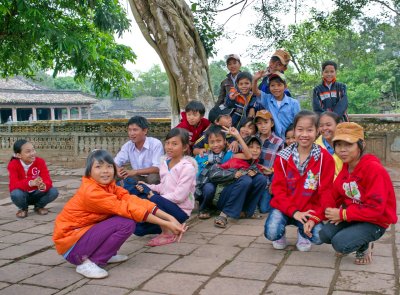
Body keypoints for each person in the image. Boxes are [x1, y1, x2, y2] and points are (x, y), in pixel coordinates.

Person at [53, 149, 187, 279]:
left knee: (126, 217)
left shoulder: (110, 186)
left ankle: (105, 253)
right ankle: (90, 262)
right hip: (71, 244)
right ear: (89, 171)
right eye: (98, 167)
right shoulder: (92, 192)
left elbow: (133, 201)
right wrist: (166, 224)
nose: (105, 171)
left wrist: (170, 218)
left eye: (109, 166)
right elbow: (128, 209)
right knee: (125, 222)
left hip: (83, 236)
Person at [319, 122, 397, 265]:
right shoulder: (346, 168)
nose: (342, 150)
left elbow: (376, 209)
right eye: (338, 145)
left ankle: (364, 244)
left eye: (348, 145)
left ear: (361, 145)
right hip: (355, 215)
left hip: (376, 221)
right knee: (324, 234)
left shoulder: (374, 169)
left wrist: (343, 215)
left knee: (340, 244)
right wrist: (319, 215)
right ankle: (356, 235)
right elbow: (334, 195)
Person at [264, 110, 335, 252]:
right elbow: (278, 190)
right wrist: (294, 211)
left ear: (317, 132)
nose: (304, 134)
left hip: (309, 209)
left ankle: (303, 232)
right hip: (284, 207)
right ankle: (282, 230)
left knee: (319, 237)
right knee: (272, 232)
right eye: (300, 129)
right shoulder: (282, 157)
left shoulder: (325, 158)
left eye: (309, 130)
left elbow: (326, 192)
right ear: (294, 131)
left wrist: (315, 218)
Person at [133, 128, 197, 244]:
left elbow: (179, 197)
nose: (169, 147)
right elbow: (163, 187)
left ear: (184, 147)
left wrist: (153, 197)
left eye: (174, 144)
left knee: (153, 198)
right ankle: (172, 226)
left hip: (179, 211)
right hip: (164, 206)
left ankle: (167, 234)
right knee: (138, 229)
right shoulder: (165, 163)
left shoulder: (187, 168)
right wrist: (148, 186)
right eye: (167, 143)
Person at [212, 135, 269, 227]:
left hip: (237, 200)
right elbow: (213, 174)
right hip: (222, 199)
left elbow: (257, 175)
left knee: (261, 179)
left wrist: (259, 172)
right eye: (250, 147)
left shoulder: (254, 165)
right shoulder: (234, 161)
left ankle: (246, 212)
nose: (255, 150)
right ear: (244, 149)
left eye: (258, 148)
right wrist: (233, 174)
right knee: (245, 180)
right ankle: (223, 214)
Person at [194, 125, 240, 219]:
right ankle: (204, 208)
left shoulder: (230, 154)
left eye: (219, 141)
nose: (215, 145)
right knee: (208, 188)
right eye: (212, 142)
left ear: (225, 141)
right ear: (208, 143)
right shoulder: (203, 156)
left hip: (224, 186)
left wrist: (236, 139)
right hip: (207, 187)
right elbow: (197, 176)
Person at [8, 139, 59, 218]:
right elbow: (13, 185)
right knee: (15, 193)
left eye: (33, 150)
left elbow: (47, 180)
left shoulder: (40, 162)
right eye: (28, 151)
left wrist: (43, 185)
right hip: (23, 195)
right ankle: (23, 208)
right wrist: (30, 183)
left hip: (37, 193)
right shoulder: (13, 164)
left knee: (53, 191)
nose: (33, 153)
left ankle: (39, 206)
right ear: (18, 155)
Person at [115, 116, 164, 187]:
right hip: (136, 177)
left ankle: (153, 196)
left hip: (152, 176)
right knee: (115, 175)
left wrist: (135, 172)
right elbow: (115, 162)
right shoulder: (128, 146)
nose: (131, 133)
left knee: (153, 178)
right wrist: (118, 170)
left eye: (135, 130)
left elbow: (157, 168)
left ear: (145, 131)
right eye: (129, 130)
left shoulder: (155, 143)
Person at [252, 72, 300, 139]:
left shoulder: (294, 103)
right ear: (269, 87)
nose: (276, 88)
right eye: (272, 85)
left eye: (279, 85)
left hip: (289, 140)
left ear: (285, 86)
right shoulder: (267, 99)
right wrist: (255, 80)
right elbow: (255, 91)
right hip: (274, 141)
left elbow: (298, 123)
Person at [254, 110, 284, 213]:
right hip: (255, 177)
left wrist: (272, 172)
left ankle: (280, 203)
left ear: (272, 123)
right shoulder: (253, 139)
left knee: (264, 208)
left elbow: (280, 165)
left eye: (266, 122)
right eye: (259, 123)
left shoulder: (278, 142)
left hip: (269, 179)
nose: (263, 126)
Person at [315, 111, 343, 178]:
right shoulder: (315, 148)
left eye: (328, 125)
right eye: (321, 126)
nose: (324, 128)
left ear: (338, 125)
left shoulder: (348, 144)